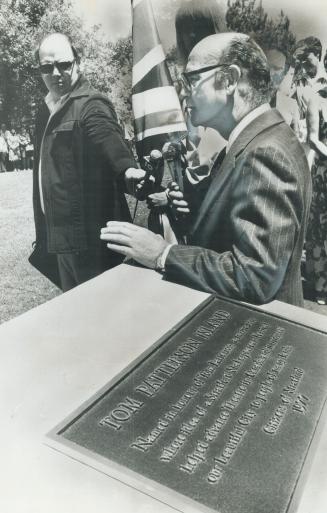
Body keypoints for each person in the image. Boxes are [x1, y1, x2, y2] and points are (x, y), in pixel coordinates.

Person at [101, 33, 311, 306]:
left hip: (256, 335)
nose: (182, 91)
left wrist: (162, 253)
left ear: (229, 80)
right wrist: (195, 210)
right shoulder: (258, 139)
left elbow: (255, 276)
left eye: (191, 79)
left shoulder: (265, 152)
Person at [32, 33, 144, 291]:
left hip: (90, 241)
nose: (56, 73)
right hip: (60, 237)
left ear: (77, 62)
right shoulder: (46, 109)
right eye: (47, 67)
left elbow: (106, 137)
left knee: (102, 315)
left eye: (64, 64)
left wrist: (127, 170)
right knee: (78, 315)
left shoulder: (90, 104)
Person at [303, 42, 327, 304]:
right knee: (321, 228)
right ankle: (321, 286)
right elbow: (313, 139)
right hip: (323, 169)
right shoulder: (316, 99)